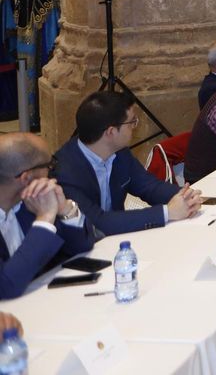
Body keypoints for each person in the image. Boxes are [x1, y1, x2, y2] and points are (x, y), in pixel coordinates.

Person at [55, 91, 202, 234]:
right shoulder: (64, 171)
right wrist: (167, 212)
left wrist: (185, 196)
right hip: (82, 251)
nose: (134, 127)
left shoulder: (119, 152)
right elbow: (98, 222)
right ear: (111, 132)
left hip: (119, 239)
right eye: (131, 122)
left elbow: (149, 186)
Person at [0, 133, 94, 298]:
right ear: (26, 177)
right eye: (49, 166)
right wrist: (44, 219)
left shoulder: (29, 200)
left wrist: (64, 209)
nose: (52, 173)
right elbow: (6, 287)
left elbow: (81, 246)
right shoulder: (37, 206)